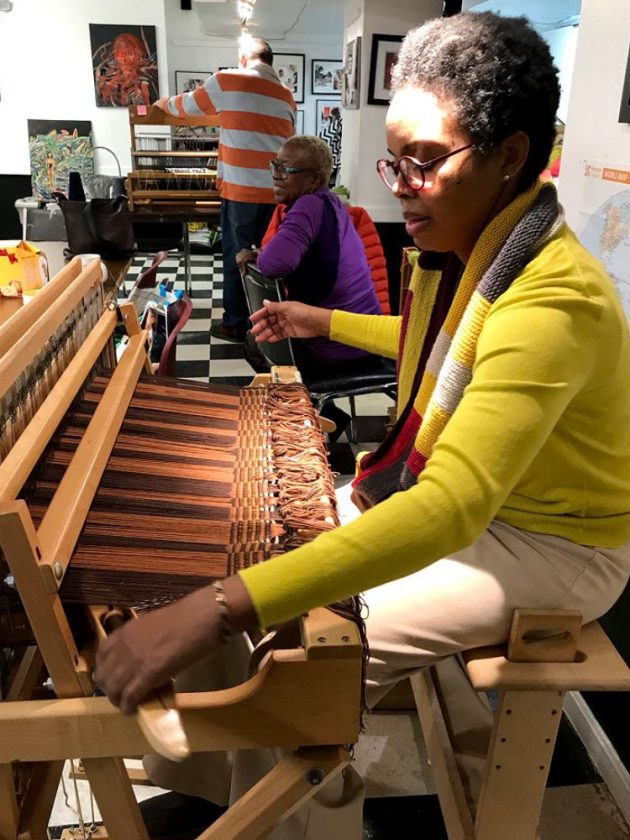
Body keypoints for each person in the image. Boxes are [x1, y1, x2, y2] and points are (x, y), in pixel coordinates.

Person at [97, 12, 630, 838]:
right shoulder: (475, 259)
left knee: (310, 654)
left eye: (423, 162)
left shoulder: (552, 296)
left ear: (511, 156)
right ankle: (225, 792)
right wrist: (319, 317)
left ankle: (297, 815)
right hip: (488, 505)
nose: (398, 188)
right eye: (395, 160)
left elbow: (453, 505)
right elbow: (430, 347)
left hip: (557, 543)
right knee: (265, 556)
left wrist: (218, 606)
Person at [155, 34, 296, 343]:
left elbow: (187, 106)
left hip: (242, 191)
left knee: (237, 256)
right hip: (276, 193)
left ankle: (235, 323)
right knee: (266, 259)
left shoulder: (229, 80)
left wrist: (160, 103)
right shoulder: (286, 96)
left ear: (244, 58)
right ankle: (264, 326)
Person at [236, 135, 381, 405]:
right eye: (275, 166)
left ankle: (313, 416)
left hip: (340, 347)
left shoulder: (309, 204)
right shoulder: (332, 203)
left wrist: (254, 254)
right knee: (264, 333)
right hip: (360, 337)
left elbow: (273, 264)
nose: (276, 176)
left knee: (255, 340)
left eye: (286, 170)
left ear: (314, 179)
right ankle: (317, 414)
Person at [318, 106, 342, 186]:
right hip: (334, 162)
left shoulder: (334, 126)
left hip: (329, 163)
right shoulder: (336, 126)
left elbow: (322, 140)